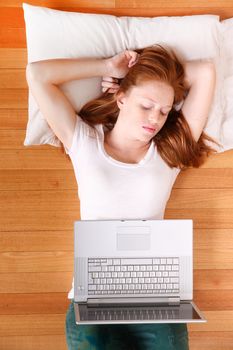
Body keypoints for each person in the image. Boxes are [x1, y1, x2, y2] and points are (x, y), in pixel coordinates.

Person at [26, 44, 217, 350]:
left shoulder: (168, 153)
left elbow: (205, 72)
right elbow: (37, 74)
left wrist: (146, 72)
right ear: (121, 97)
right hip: (92, 302)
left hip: (156, 301)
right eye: (147, 105)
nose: (155, 118)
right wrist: (110, 67)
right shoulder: (84, 141)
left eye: (164, 110)